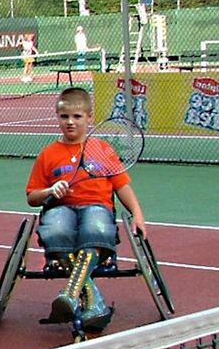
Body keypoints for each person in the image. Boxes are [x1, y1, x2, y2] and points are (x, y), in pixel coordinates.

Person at [25, 87, 147, 332]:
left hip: (97, 206)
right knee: (56, 227)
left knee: (95, 226)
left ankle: (72, 293)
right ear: (57, 117)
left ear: (89, 117)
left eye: (77, 117)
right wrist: (50, 191)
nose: (70, 122)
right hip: (62, 208)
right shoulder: (48, 155)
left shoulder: (102, 150)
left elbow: (121, 186)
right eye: (64, 117)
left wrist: (138, 215)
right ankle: (93, 302)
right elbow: (32, 197)